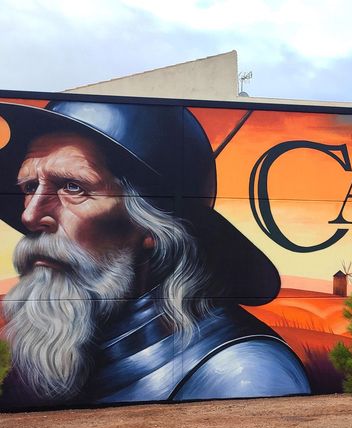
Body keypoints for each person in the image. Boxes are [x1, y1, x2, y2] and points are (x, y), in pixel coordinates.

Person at [0, 100, 311, 409]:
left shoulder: (243, 374)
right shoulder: (69, 353)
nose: (29, 216)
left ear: (150, 226)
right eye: (29, 187)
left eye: (72, 187)